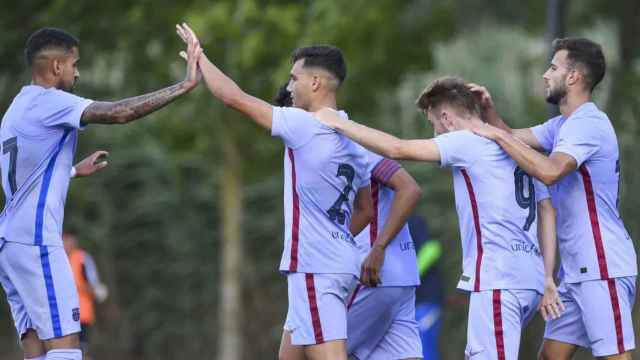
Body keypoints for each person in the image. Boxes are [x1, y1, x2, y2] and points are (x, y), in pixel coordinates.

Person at [314, 77, 561, 359]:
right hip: (529, 277)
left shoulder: (467, 142)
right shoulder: (519, 150)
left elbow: (398, 149)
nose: (435, 134)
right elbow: (547, 210)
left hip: (499, 278)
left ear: (446, 118)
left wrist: (340, 123)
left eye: (434, 125)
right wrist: (547, 276)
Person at [0, 27, 201, 360]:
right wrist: (184, 85)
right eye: (74, 64)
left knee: (36, 349)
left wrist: (74, 170)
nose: (77, 72)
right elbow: (120, 112)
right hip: (36, 243)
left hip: (10, 244)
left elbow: (26, 178)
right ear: (55, 68)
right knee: (66, 350)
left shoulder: (17, 109)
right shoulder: (50, 101)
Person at [175, 24, 373, 360]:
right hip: (336, 264)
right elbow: (366, 208)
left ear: (315, 82)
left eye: (294, 78)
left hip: (315, 268)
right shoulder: (352, 134)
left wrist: (200, 56)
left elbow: (233, 97)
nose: (288, 86)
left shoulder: (304, 125)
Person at [469, 37, 637, 360]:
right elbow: (513, 138)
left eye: (554, 67)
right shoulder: (563, 125)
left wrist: (495, 133)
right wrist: (489, 115)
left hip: (603, 266)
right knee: (549, 357)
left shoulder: (588, 123)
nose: (546, 74)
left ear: (573, 77)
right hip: (575, 274)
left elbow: (549, 171)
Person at [345, 137, 423, 360]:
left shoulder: (353, 149)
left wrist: (378, 247)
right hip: (404, 278)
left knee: (308, 350)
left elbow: (410, 189)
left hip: (372, 273)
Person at [62, 233, 108, 360]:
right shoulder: (57, 259)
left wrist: (78, 287)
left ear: (74, 241)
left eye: (69, 240)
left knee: (82, 350)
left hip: (82, 314)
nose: (66, 244)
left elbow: (95, 287)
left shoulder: (83, 258)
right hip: (62, 314)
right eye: (64, 240)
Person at [409, 214, 444, 360]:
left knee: (424, 348)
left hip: (426, 299)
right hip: (408, 304)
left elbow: (432, 249)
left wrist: (411, 278)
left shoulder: (412, 220)